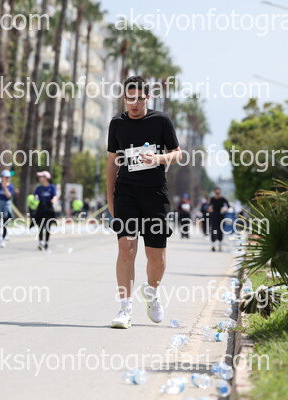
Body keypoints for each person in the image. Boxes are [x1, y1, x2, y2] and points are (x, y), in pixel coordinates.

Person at [106, 76, 182, 329]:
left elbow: (178, 153)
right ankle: (124, 308)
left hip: (155, 193)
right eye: (130, 98)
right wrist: (110, 198)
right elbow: (111, 163)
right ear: (124, 98)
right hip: (126, 192)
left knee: (156, 256)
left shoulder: (161, 121)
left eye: (139, 98)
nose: (134, 103)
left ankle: (152, 292)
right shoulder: (117, 123)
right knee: (126, 248)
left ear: (147, 98)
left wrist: (158, 159)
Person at [33, 171, 57, 251]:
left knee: (48, 225)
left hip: (49, 207)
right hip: (41, 207)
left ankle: (46, 242)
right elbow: (35, 197)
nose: (40, 178)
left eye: (41, 177)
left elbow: (55, 196)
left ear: (46, 178)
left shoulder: (52, 187)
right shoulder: (39, 188)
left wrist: (53, 200)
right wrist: (35, 199)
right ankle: (40, 242)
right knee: (40, 225)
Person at [208, 187, 230, 252]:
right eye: (216, 192)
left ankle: (220, 245)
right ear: (214, 192)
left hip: (221, 217)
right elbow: (209, 207)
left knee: (220, 231)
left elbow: (228, 206)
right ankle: (213, 245)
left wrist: (225, 209)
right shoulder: (212, 199)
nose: (217, 194)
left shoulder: (223, 199)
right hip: (214, 216)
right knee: (214, 230)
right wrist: (210, 209)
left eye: (218, 192)